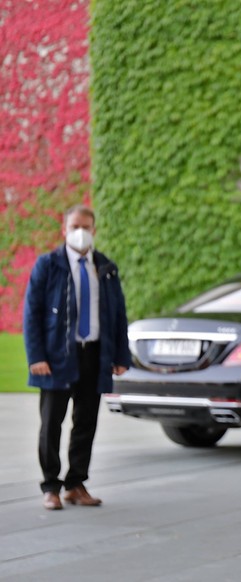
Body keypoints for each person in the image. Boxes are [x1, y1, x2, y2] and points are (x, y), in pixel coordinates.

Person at [23, 205, 132, 510]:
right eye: (74, 226)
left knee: (86, 422)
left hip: (94, 355)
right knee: (51, 424)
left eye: (85, 226)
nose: (80, 231)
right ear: (64, 230)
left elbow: (118, 315)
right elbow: (32, 314)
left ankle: (75, 483)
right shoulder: (48, 265)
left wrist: (121, 355)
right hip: (58, 356)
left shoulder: (106, 268)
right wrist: (37, 356)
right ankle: (51, 486)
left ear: (94, 230)